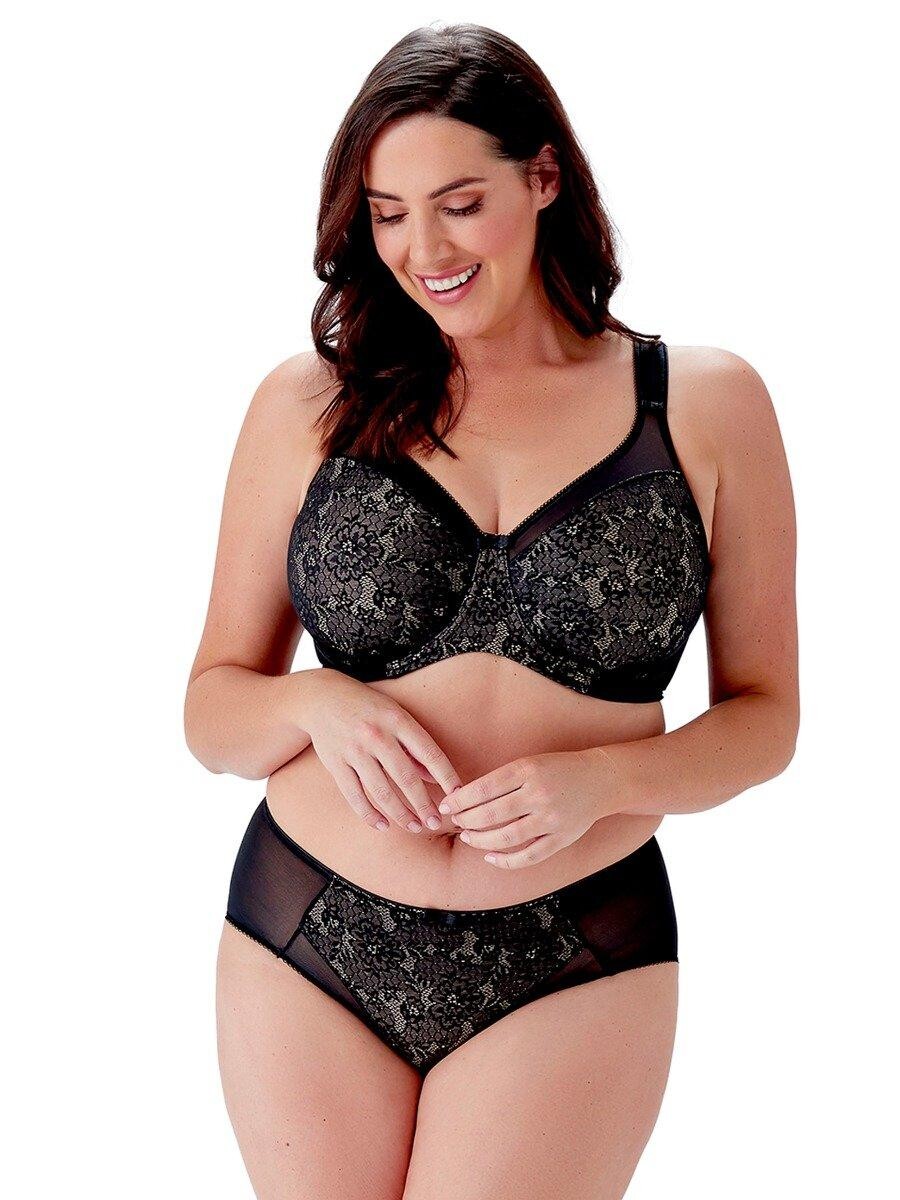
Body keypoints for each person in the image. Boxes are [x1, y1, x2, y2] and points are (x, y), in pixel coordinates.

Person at [184, 22, 799, 1200]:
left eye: (460, 204)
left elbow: (767, 717)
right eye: (388, 214)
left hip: (573, 945)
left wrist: (608, 779)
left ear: (544, 176)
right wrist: (315, 703)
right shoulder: (307, 405)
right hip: (306, 928)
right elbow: (211, 710)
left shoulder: (705, 405)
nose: (425, 250)